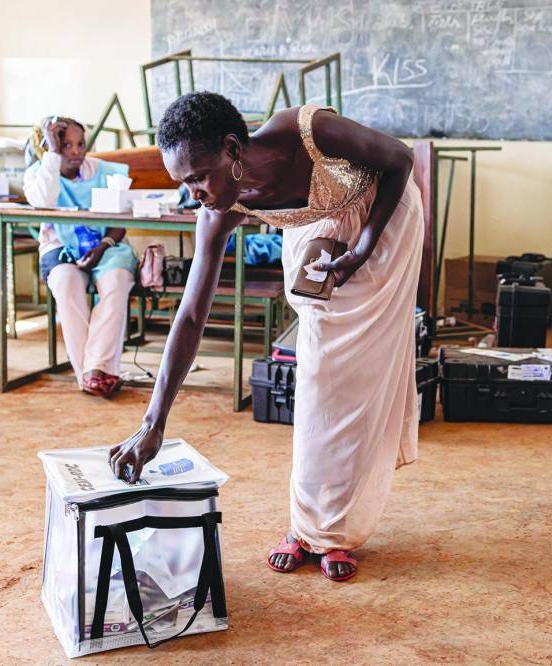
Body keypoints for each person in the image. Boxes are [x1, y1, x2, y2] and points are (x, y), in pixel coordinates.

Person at [108, 92, 422, 582]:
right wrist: (155, 421)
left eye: (197, 176)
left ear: (233, 149)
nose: (193, 193)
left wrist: (361, 249)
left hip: (384, 224)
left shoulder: (308, 132)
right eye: (183, 182)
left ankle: (332, 532)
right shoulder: (218, 210)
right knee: (320, 380)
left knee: (361, 378)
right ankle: (308, 527)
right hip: (320, 236)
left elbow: (400, 160)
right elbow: (191, 316)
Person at [23, 116, 138, 397]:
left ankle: (95, 371)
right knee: (65, 283)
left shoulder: (104, 171)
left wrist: (102, 247)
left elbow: (120, 220)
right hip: (59, 248)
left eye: (80, 144)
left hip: (106, 245)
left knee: (117, 281)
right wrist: (51, 155)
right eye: (65, 145)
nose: (75, 151)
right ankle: (93, 374)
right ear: (49, 147)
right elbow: (42, 202)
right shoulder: (38, 174)